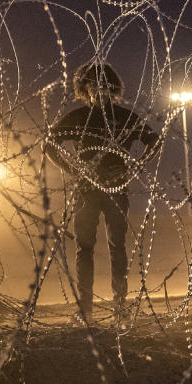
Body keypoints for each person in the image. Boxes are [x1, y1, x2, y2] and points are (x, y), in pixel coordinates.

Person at [46, 62, 159, 323]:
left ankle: (119, 305)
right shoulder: (78, 117)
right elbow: (50, 144)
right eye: (95, 86)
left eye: (106, 86)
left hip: (115, 186)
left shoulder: (125, 116)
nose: (101, 91)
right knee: (85, 248)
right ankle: (85, 308)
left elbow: (154, 140)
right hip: (87, 188)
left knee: (116, 246)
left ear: (114, 89)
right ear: (85, 88)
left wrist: (135, 167)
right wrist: (72, 170)